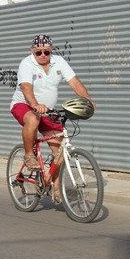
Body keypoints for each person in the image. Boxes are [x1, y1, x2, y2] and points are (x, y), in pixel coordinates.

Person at [10, 34, 95, 202]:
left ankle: (56, 188)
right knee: (33, 119)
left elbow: (74, 82)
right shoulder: (27, 63)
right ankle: (28, 155)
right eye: (38, 52)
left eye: (46, 52)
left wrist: (88, 100)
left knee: (60, 152)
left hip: (47, 111)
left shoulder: (59, 62)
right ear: (32, 50)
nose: (42, 55)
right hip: (25, 105)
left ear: (51, 50)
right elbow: (26, 87)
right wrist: (34, 105)